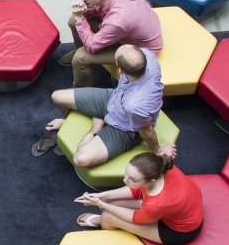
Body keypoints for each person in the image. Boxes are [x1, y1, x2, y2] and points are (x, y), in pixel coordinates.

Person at [46, 45, 175, 168]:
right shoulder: (148, 56)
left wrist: (157, 149)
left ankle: (96, 126)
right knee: (57, 97)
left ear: (120, 70)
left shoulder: (135, 105)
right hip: (113, 99)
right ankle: (73, 122)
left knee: (79, 158)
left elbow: (146, 129)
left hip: (125, 129)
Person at [60, 0, 163, 88]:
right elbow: (97, 10)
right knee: (74, 21)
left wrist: (80, 17)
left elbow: (91, 46)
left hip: (141, 48)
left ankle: (79, 94)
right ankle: (78, 48)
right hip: (128, 30)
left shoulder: (118, 20)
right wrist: (81, 14)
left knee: (81, 57)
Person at [74, 153, 203, 245]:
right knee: (111, 202)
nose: (125, 180)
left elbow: (137, 219)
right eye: (126, 173)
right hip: (178, 209)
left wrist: (101, 204)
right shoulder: (159, 169)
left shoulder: (156, 203)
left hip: (180, 231)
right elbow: (138, 188)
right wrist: (103, 196)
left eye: (133, 179)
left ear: (151, 180)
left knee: (108, 216)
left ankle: (103, 223)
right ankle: (106, 215)